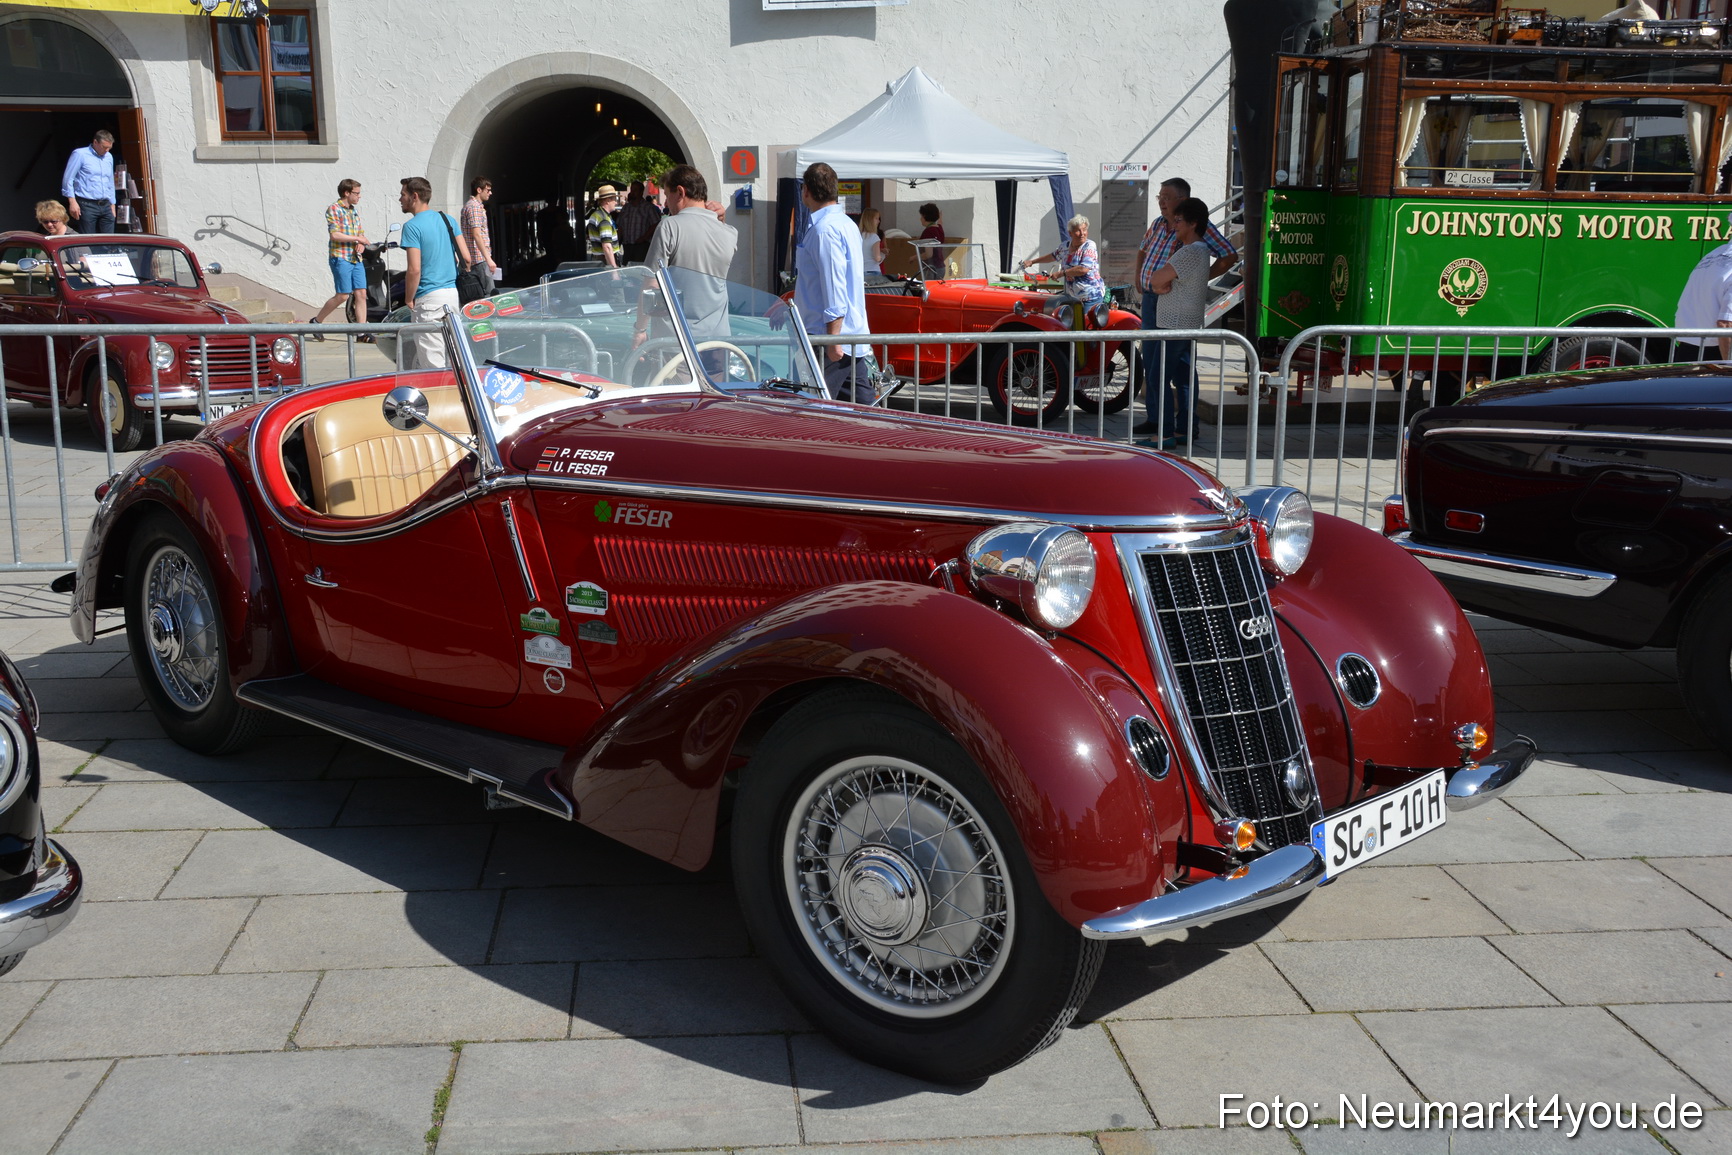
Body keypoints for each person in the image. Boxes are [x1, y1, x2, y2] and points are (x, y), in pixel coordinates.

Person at [795, 163, 877, 402]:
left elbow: (834, 287)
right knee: (863, 409)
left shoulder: (825, 230)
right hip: (846, 336)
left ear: (806, 191)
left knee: (812, 409)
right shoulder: (845, 224)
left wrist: (833, 339)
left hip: (829, 338)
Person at [633, 165, 738, 350]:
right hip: (718, 340)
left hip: (676, 341)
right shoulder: (730, 232)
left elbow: (652, 285)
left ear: (680, 192)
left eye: (667, 195)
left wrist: (640, 329)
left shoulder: (669, 226)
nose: (666, 203)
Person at [1138, 197, 1214, 448]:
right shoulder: (1201, 250)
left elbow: (1156, 278)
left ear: (1193, 223)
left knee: (1158, 378)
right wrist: (1159, 284)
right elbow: (1160, 281)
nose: (1175, 225)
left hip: (1174, 324)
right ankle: (1184, 428)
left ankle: (1164, 434)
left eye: (1179, 220)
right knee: (1183, 378)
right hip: (1185, 322)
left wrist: (1157, 285)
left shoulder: (1190, 251)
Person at [398, 176, 472, 371]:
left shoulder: (412, 227)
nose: (400, 199)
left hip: (428, 298)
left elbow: (414, 269)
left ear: (414, 196)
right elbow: (467, 258)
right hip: (452, 295)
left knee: (433, 365)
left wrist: (408, 298)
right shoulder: (448, 220)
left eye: (403, 194)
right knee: (454, 359)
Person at [309, 179, 369, 341]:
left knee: (361, 294)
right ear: (346, 193)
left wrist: (360, 243)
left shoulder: (353, 211)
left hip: (355, 258)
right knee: (343, 295)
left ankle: (361, 332)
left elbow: (360, 233)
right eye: (356, 193)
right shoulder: (334, 209)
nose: (359, 196)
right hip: (340, 257)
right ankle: (316, 322)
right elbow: (334, 234)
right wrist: (358, 239)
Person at [1021, 215, 1105, 316]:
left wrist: (1061, 273)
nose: (1082, 233)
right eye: (1078, 230)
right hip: (1073, 297)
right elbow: (1053, 256)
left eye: (1084, 230)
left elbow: (1083, 269)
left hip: (1090, 297)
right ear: (1070, 233)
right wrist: (1032, 262)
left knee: (1086, 324)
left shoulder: (1089, 246)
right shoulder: (1065, 246)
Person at [1675, 240, 1732, 361]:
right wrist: (1729, 364)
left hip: (1689, 348)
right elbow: (1726, 324)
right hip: (1716, 353)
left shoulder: (1713, 254)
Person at [61, 130, 116, 235]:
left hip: (105, 204)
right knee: (89, 237)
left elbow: (110, 181)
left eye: (109, 148)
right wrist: (72, 202)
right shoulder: (80, 154)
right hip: (87, 204)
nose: (107, 150)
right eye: (104, 147)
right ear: (95, 142)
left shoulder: (108, 157)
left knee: (109, 238)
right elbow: (68, 178)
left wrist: (112, 204)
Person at [461, 177, 500, 296]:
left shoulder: (473, 206)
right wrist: (488, 259)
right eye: (488, 190)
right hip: (479, 259)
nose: (490, 193)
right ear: (479, 190)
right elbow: (477, 234)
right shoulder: (474, 207)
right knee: (489, 295)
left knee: (485, 293)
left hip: (478, 259)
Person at [617, 180, 662, 265]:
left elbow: (656, 224)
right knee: (626, 268)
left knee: (639, 269)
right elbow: (620, 226)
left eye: (635, 190)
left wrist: (644, 237)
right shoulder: (626, 208)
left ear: (641, 192)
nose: (632, 192)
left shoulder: (648, 207)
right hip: (627, 245)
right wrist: (617, 242)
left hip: (641, 246)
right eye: (631, 190)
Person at [586, 185, 621, 267]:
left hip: (598, 259)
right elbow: (607, 246)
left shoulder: (596, 215)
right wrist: (613, 268)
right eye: (614, 199)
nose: (616, 202)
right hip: (605, 261)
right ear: (608, 201)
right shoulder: (604, 219)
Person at [916, 202, 946, 279]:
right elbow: (940, 222)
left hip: (931, 269)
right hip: (941, 267)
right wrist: (940, 217)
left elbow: (928, 254)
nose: (920, 219)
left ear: (924, 216)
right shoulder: (939, 228)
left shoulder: (928, 231)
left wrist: (914, 257)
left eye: (921, 216)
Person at [858, 208, 886, 274]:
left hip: (860, 271)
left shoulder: (858, 236)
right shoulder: (874, 237)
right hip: (873, 270)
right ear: (870, 220)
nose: (878, 221)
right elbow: (877, 258)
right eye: (876, 218)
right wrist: (882, 256)